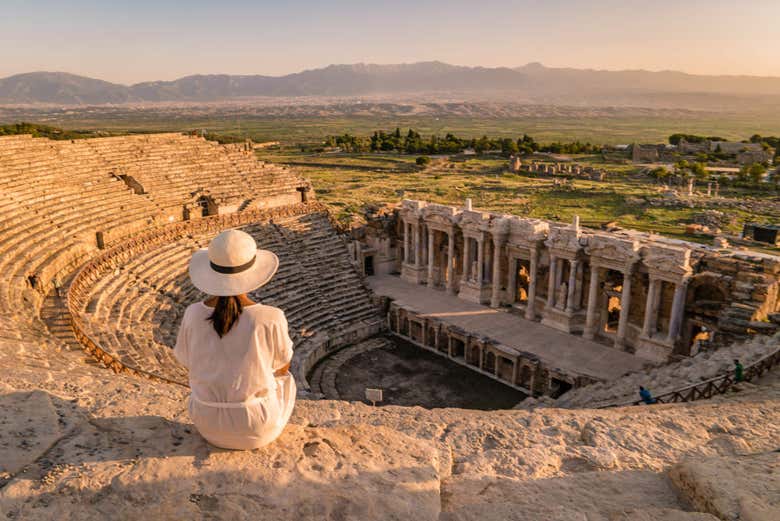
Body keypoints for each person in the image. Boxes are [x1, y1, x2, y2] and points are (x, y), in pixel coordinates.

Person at [174, 229, 295, 450]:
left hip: (206, 422)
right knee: (286, 381)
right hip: (256, 425)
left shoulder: (192, 313)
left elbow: (185, 360)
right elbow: (282, 366)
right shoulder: (271, 316)